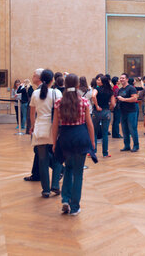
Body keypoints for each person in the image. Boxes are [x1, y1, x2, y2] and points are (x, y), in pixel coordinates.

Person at [52, 74, 95, 216]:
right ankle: (75, 206)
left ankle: (65, 199)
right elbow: (89, 124)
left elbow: (55, 126)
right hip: (80, 137)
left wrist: (54, 142)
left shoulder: (59, 102)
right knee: (78, 173)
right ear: (77, 85)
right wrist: (92, 142)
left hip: (65, 137)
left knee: (68, 169)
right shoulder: (83, 101)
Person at [28, 69, 62, 198]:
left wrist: (32, 126)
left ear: (42, 80)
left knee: (42, 160)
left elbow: (32, 113)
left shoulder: (35, 94)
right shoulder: (56, 92)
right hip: (53, 128)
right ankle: (55, 185)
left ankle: (46, 190)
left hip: (40, 128)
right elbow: (60, 111)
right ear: (52, 80)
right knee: (58, 157)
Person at [91, 74, 115, 158]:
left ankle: (93, 152)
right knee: (105, 133)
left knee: (94, 132)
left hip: (97, 112)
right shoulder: (110, 91)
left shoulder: (96, 89)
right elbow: (113, 103)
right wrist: (109, 108)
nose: (97, 81)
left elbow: (93, 96)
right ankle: (105, 153)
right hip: (106, 112)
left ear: (102, 82)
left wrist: (97, 106)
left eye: (98, 80)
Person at [117, 73, 139, 152]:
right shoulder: (120, 90)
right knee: (124, 129)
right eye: (120, 78)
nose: (121, 79)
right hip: (123, 112)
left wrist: (123, 99)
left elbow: (134, 99)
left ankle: (136, 145)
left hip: (131, 112)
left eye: (123, 78)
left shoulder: (131, 88)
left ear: (127, 79)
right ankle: (127, 145)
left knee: (132, 129)